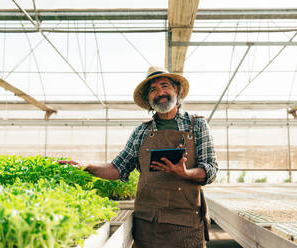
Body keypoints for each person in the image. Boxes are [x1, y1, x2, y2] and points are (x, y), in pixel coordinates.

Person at [59, 66, 218, 248]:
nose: (160, 92)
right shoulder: (141, 132)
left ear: (177, 90)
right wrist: (86, 166)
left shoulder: (196, 125)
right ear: (149, 100)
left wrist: (184, 173)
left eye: (165, 86)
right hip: (147, 225)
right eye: (153, 90)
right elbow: (118, 168)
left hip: (185, 225)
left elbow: (211, 170)